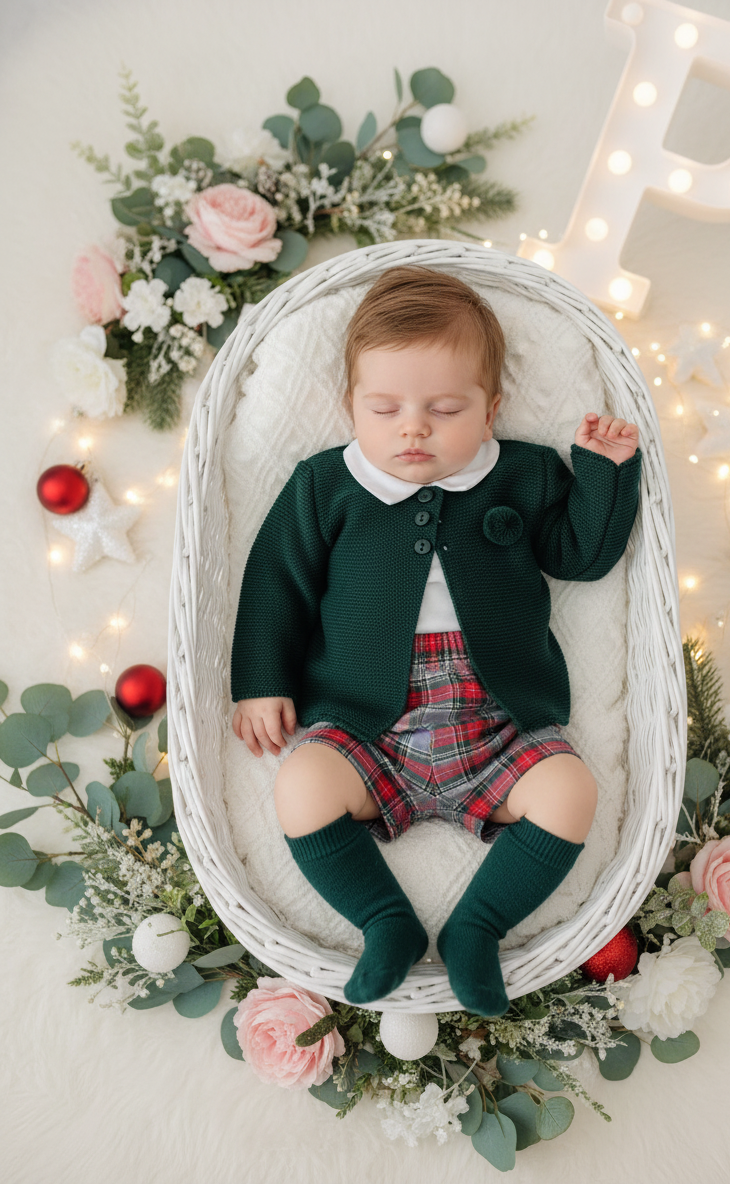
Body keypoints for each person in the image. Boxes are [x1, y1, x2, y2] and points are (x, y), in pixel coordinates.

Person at [230, 264, 641, 1017]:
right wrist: (262, 679)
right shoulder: (326, 485)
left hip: (499, 725)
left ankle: (476, 928)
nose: (412, 427)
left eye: (444, 408)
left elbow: (581, 556)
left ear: (492, 410)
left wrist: (603, 474)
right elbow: (273, 584)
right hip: (368, 725)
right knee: (300, 786)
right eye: (384, 408)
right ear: (350, 405)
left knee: (571, 791)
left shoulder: (520, 473)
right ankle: (383, 920)